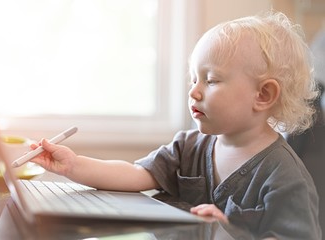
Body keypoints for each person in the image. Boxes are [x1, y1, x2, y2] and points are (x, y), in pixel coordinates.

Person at [30, 11, 322, 239]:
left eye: (211, 80)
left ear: (263, 95)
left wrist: (226, 233)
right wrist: (73, 165)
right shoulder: (189, 146)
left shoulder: (284, 177)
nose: (194, 91)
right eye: (194, 78)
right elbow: (136, 174)